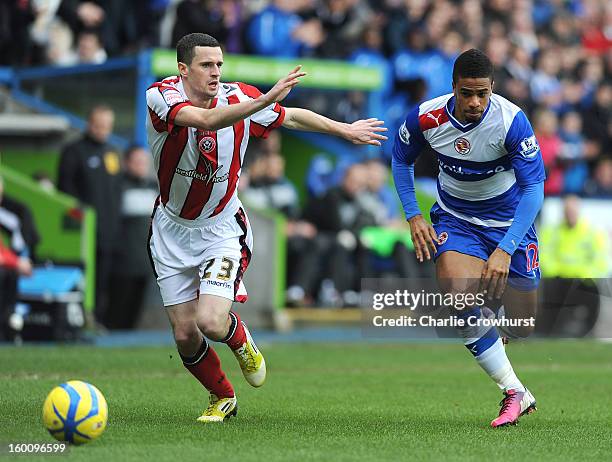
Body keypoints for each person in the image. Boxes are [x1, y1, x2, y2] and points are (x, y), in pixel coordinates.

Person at [146, 32, 386, 423]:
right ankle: (222, 396)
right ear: (182, 69)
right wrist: (264, 101)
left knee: (210, 322)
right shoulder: (161, 96)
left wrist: (344, 130)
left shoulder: (238, 97)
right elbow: (204, 118)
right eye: (207, 65)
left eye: (220, 64)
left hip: (221, 229)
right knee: (185, 335)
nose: (216, 72)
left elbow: (291, 117)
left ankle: (239, 338)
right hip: (170, 229)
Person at [392, 49, 545, 428]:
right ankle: (514, 392)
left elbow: (534, 189)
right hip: (457, 220)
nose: (474, 102)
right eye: (466, 93)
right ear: (453, 88)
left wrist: (506, 248)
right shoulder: (427, 117)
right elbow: (400, 159)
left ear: (493, 88)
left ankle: (500, 323)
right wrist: (413, 214)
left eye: (482, 94)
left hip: (510, 223)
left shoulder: (511, 122)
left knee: (523, 325)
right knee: (457, 297)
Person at [57, 104, 121, 327]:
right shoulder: (73, 151)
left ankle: (96, 319)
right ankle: (79, 317)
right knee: (84, 275)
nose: (102, 130)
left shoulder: (112, 153)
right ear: (88, 123)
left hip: (109, 230)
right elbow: (64, 189)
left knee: (103, 279)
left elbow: (116, 192)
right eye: (98, 125)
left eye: (106, 126)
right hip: (82, 231)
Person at [107, 145, 158, 329]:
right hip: (122, 260)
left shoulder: (153, 187)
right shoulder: (117, 187)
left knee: (134, 314)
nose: (141, 166)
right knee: (117, 311)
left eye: (143, 162)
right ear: (126, 163)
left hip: (146, 260)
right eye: (136, 162)